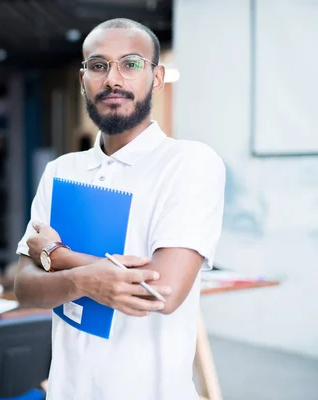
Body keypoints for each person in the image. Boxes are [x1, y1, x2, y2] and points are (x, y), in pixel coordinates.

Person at [14, 18, 225, 400]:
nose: (113, 79)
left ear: (156, 78)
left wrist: (55, 256)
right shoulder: (60, 171)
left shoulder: (190, 163)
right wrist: (83, 279)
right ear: (83, 80)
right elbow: (24, 287)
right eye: (98, 66)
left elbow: (161, 292)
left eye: (130, 64)